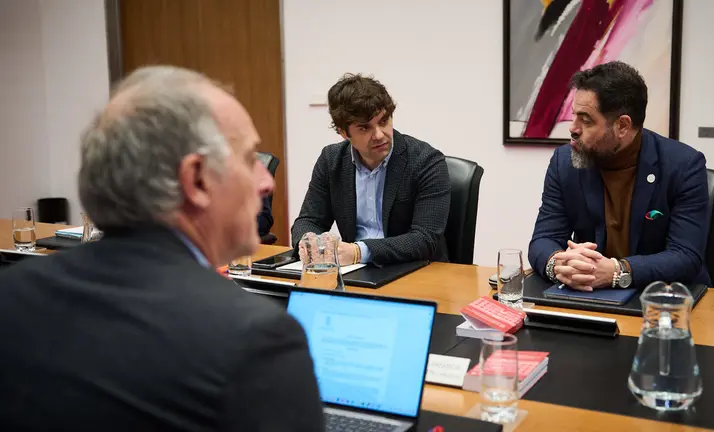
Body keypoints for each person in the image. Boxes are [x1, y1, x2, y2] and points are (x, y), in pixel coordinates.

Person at [0, 66, 324, 430]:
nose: (266, 182)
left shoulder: (13, 294)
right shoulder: (257, 339)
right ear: (197, 180)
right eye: (250, 159)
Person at [529, 61, 710, 291]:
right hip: (586, 296)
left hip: (663, 300)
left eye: (586, 120)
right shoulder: (564, 163)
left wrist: (618, 271)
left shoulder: (684, 166)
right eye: (574, 116)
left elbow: (685, 256)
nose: (573, 128)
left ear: (623, 125)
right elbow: (543, 239)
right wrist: (558, 264)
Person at [290, 73, 451, 266]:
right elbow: (309, 220)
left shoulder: (426, 161)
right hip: (355, 273)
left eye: (383, 121)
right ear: (343, 133)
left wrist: (358, 252)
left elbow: (425, 239)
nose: (379, 135)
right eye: (364, 128)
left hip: (414, 271)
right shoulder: (331, 160)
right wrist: (310, 243)